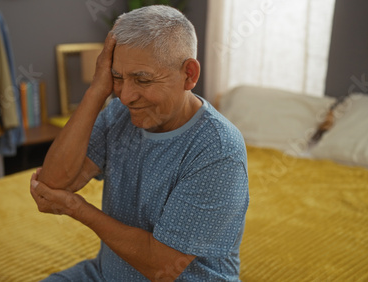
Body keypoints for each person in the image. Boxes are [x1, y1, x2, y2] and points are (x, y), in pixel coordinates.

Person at [30, 5, 249, 281]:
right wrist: (97, 90)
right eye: (118, 77)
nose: (125, 96)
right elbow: (53, 185)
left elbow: (161, 266)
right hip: (106, 273)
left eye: (142, 80)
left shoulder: (218, 149)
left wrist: (77, 208)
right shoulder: (118, 113)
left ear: (189, 75)